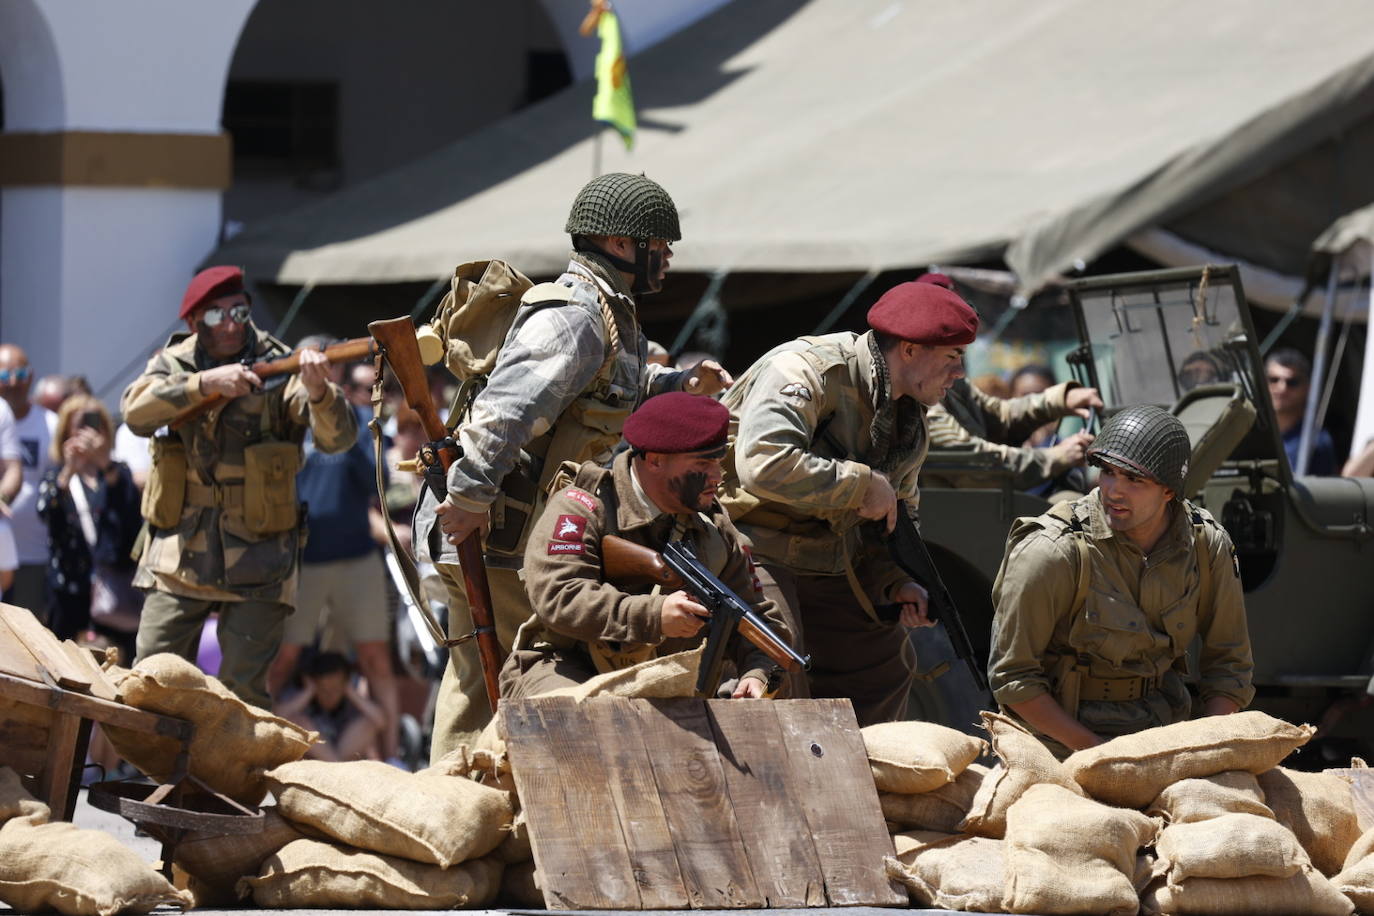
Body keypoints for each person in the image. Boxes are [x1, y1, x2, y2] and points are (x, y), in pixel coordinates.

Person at [421, 172, 732, 759]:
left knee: (501, 681)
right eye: (658, 247)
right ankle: (459, 806)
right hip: (504, 539)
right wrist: (466, 500)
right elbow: (502, 413)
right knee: (491, 680)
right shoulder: (576, 315)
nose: (666, 259)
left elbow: (604, 393)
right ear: (619, 244)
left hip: (536, 535)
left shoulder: (610, 314)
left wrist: (676, 383)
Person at [717, 280, 978, 725]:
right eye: (952, 357)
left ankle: (866, 780)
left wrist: (899, 582)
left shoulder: (908, 421)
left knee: (883, 663)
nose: (959, 373)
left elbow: (897, 517)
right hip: (749, 543)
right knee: (779, 656)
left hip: (828, 556)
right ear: (911, 350)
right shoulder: (807, 370)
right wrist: (860, 485)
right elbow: (762, 463)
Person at [121, 265, 356, 708]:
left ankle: (232, 779)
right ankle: (153, 773)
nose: (230, 323)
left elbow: (336, 439)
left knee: (242, 693)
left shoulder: (278, 363)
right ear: (193, 323)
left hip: (260, 556)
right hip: (179, 555)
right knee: (151, 678)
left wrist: (321, 392)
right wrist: (205, 383)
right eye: (215, 315)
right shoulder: (177, 363)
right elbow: (135, 411)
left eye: (239, 311)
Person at [987, 405, 1254, 758]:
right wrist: (1100, 754)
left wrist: (1201, 748)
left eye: (1134, 480)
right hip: (1059, 743)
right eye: (1108, 472)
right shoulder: (1052, 551)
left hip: (1166, 734)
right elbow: (1013, 678)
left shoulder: (1205, 546)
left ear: (1169, 491)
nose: (1113, 490)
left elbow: (1229, 666)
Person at [502, 393, 790, 698]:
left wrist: (758, 674)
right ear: (654, 460)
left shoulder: (713, 526)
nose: (718, 476)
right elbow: (560, 597)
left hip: (669, 676)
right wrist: (654, 615)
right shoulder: (584, 506)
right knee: (584, 721)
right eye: (703, 464)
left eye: (719, 462)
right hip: (568, 666)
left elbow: (758, 616)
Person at [268, 336, 399, 762]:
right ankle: (258, 748)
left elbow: (374, 484)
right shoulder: (285, 420)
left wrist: (349, 432)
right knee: (284, 657)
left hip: (355, 557)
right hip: (303, 562)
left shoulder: (360, 419)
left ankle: (393, 756)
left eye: (324, 362)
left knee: (375, 659)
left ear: (336, 368)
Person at [34, 396, 143, 662]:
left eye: (96, 425)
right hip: (70, 591)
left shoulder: (118, 473)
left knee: (116, 667)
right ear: (65, 432)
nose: (89, 432)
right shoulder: (58, 476)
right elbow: (46, 512)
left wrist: (106, 464)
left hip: (114, 592)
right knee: (64, 664)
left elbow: (131, 517)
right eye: (80, 425)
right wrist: (70, 469)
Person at [926, 375, 1101, 493]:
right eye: (951, 355)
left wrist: (1058, 401)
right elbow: (977, 464)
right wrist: (1057, 457)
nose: (959, 370)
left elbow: (998, 414)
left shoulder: (947, 379)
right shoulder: (924, 405)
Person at [0, 345, 59, 614]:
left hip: (33, 549)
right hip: (3, 546)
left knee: (26, 636)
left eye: (20, 373)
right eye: (4, 376)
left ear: (31, 376)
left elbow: (16, 470)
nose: (13, 382)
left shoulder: (51, 424)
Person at [275, 651, 387, 762]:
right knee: (297, 721)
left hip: (344, 751)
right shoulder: (300, 695)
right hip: (315, 760)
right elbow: (277, 716)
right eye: (324, 689)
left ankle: (335, 765)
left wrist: (352, 693)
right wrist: (308, 692)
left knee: (368, 723)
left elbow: (381, 721)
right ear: (314, 683)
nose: (330, 695)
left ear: (345, 684)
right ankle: (336, 765)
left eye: (335, 689)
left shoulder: (352, 696)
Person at [1266, 347, 1336, 475]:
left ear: (1307, 388)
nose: (1281, 388)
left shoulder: (1316, 441)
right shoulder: (1248, 433)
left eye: (1292, 382)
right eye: (1273, 380)